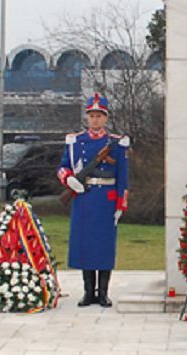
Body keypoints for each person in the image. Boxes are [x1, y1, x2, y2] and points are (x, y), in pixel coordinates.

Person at [57, 93, 129, 307]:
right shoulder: (76, 142)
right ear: (87, 117)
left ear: (105, 118)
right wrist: (69, 180)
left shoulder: (116, 143)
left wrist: (120, 204)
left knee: (104, 246)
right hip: (84, 198)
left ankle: (103, 293)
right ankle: (89, 292)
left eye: (99, 115)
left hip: (106, 200)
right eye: (92, 115)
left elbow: (123, 176)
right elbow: (62, 167)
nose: (95, 119)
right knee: (85, 245)